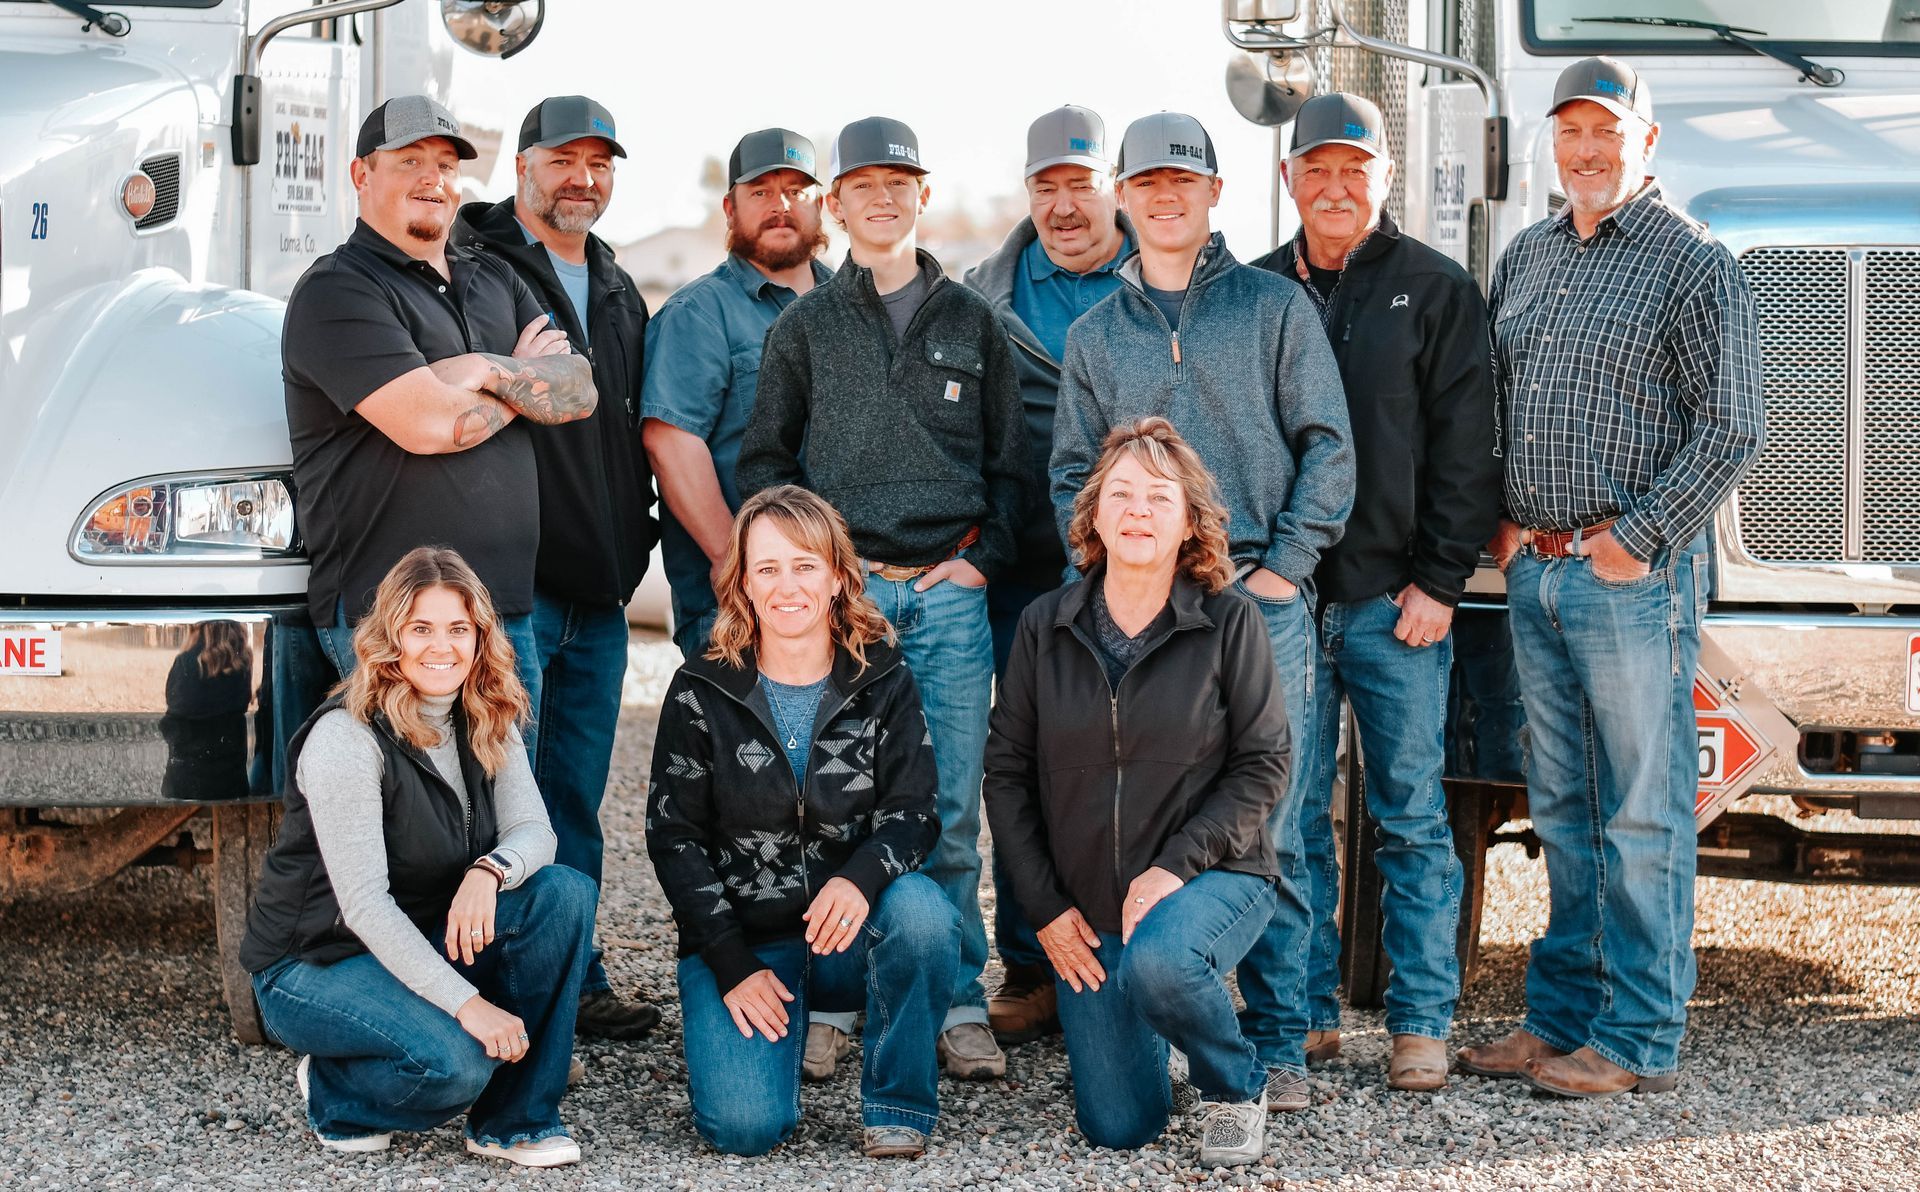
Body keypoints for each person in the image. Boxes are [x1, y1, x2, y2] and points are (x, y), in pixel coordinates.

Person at [1459, 57, 1764, 1098]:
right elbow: (1500, 400)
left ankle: (1638, 1036)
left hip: (1628, 579)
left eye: (1608, 130)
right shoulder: (1530, 255)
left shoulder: (1692, 262)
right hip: (1538, 575)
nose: (1587, 148)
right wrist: (1503, 520)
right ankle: (1560, 1019)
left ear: (1647, 141)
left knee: (1641, 809)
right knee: (1563, 808)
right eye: (1571, 129)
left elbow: (1731, 426)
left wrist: (1637, 540)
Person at [1049, 110, 1353, 1109]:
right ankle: (1163, 1022)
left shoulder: (1273, 310)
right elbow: (1068, 480)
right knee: (1143, 816)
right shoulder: (1094, 335)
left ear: (1216, 193)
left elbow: (1328, 447)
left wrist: (1284, 571)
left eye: (1186, 181)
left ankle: (1279, 1046)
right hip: (1137, 619)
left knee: (1282, 825)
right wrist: (1113, 585)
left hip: (1257, 603)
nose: (1167, 196)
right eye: (1147, 182)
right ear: (1123, 197)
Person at [737, 116, 1030, 1082]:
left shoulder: (975, 321)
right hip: (842, 609)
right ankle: (833, 998)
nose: (881, 198)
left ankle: (953, 1001)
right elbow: (766, 467)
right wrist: (811, 578)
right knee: (830, 807)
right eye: (861, 184)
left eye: (898, 182)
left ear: (923, 195)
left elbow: (1012, 468)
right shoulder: (805, 327)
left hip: (945, 602)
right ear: (836, 204)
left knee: (946, 809)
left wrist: (983, 560)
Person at [1251, 93, 1501, 1089]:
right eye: (1316, 167)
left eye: (1355, 167)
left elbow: (1466, 451)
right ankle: (1306, 1013)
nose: (1335, 185)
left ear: (1386, 176)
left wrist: (1440, 580)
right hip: (1288, 606)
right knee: (1292, 814)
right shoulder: (1258, 292)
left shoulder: (1436, 290)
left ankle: (1421, 1021)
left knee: (1407, 813)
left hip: (1399, 607)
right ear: (1288, 180)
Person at [985, 418, 1291, 1167]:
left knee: (1162, 960)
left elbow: (1264, 764)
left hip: (1215, 878)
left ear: (1189, 521)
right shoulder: (1042, 627)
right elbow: (1007, 775)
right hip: (1093, 913)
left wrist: (1173, 867)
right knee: (1120, 1126)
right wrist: (1049, 910)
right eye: (1120, 493)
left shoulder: (1230, 621)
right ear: (1091, 515)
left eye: (1159, 497)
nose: (1138, 511)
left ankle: (1232, 1084)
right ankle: (1168, 1023)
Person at [241, 547, 597, 1169]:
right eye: (421, 628)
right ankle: (336, 1089)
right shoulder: (346, 738)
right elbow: (365, 907)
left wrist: (490, 872)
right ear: (390, 638)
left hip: (420, 934)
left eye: (458, 629)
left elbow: (535, 833)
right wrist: (470, 1005)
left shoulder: (483, 715)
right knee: (456, 1064)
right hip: (315, 961)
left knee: (562, 893)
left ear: (481, 638)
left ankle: (515, 1123)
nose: (442, 647)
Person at [646, 485, 960, 1159]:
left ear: (839, 577)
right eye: (767, 569)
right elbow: (673, 839)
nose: (787, 586)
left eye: (804, 565)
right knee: (743, 1130)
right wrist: (729, 962)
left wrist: (859, 878)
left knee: (924, 914)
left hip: (849, 931)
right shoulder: (701, 688)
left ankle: (896, 1104)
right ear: (743, 585)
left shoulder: (882, 678)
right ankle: (780, 1041)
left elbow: (915, 813)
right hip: (749, 941)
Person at [454, 95, 660, 1042]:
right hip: (516, 590)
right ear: (522, 163)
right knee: (506, 797)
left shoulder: (616, 285)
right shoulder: (479, 264)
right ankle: (494, 988)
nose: (582, 178)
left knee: (574, 796)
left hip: (601, 590)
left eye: (599, 163)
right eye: (562, 159)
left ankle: (574, 980)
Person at [283, 95, 597, 704]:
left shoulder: (493, 277)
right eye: (409, 160)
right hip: (393, 619)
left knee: (505, 800)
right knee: (416, 798)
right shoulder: (339, 290)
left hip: (502, 615)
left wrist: (476, 371)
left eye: (447, 164)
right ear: (361, 175)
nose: (433, 178)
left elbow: (578, 389)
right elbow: (430, 425)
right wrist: (517, 376)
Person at [962, 104, 1134, 1048]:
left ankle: (1129, 965)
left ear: (1113, 184)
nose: (1066, 207)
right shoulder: (985, 297)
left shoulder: (1165, 279)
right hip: (1019, 575)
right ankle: (1030, 968)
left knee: (1131, 766)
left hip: (1138, 571)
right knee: (1021, 769)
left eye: (1082, 184)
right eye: (1048, 188)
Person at [643, 128, 832, 662]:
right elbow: (670, 443)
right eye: (761, 192)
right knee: (748, 748)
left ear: (822, 206)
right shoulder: (699, 315)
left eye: (797, 191)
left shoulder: (855, 308)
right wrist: (744, 570)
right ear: (730, 208)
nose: (781, 206)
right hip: (736, 609)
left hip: (845, 598)